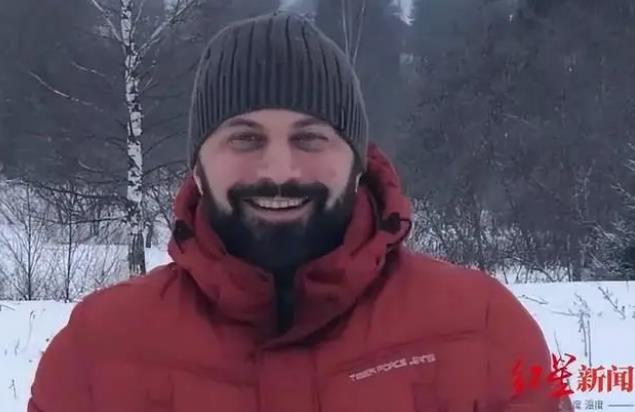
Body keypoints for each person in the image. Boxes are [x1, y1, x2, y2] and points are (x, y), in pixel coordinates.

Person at [28, 12, 573, 412]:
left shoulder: (481, 329)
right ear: (198, 168)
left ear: (357, 163)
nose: (279, 170)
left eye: (310, 138)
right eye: (244, 139)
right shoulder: (97, 352)